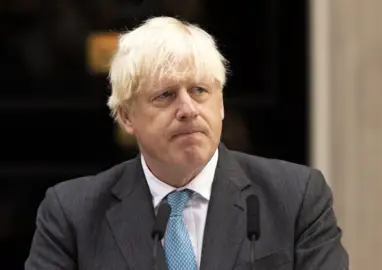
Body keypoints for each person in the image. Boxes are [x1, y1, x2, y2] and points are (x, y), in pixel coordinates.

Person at [25, 16, 348, 270]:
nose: (188, 110)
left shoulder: (296, 196)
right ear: (126, 117)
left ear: (220, 104)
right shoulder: (72, 212)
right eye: (166, 95)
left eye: (199, 91)